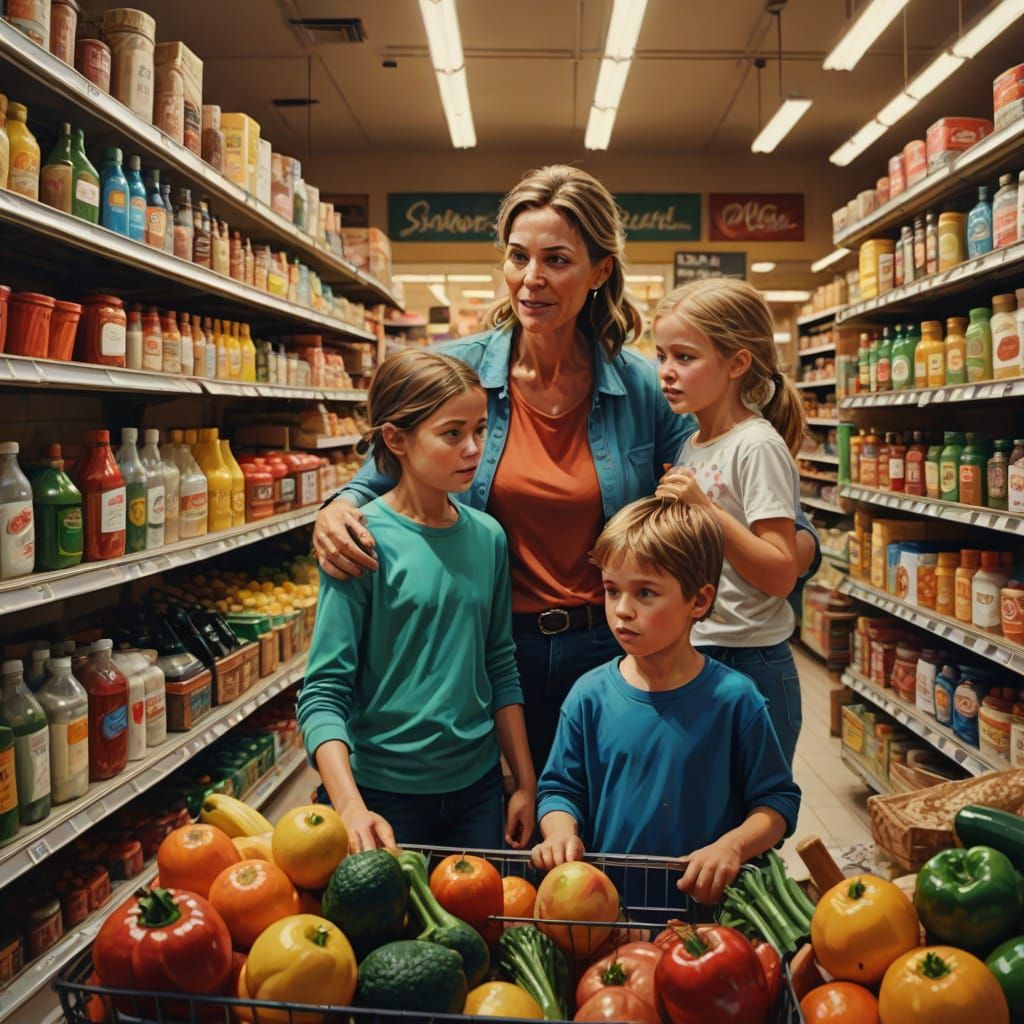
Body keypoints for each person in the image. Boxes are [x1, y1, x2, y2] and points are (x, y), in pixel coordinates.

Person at [312, 164, 819, 774]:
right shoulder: (459, 375)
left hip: (613, 645)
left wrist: (795, 551)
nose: (531, 280)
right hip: (488, 648)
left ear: (600, 272)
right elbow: (378, 474)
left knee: (595, 831)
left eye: (556, 260)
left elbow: (741, 488)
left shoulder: (643, 388)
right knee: (505, 826)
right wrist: (337, 507)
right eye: (518, 256)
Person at [297, 349, 535, 852]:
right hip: (384, 795)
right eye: (452, 434)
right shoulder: (360, 541)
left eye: (480, 429)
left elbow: (499, 664)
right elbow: (323, 691)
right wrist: (350, 806)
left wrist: (526, 781)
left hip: (477, 791)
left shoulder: (489, 536)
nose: (473, 448)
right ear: (397, 439)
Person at [531, 496, 800, 906]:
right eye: (611, 590)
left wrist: (733, 846)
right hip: (606, 913)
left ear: (699, 600)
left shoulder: (735, 700)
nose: (622, 611)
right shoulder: (588, 697)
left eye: (645, 593)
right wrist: (560, 833)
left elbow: (777, 803)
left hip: (707, 919)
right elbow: (559, 789)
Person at [654, 278, 808, 766]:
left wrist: (705, 510)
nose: (666, 373)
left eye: (684, 357)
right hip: (700, 649)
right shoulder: (693, 445)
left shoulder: (756, 445)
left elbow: (782, 572)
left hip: (751, 661)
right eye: (661, 356)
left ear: (737, 363)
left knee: (749, 817)